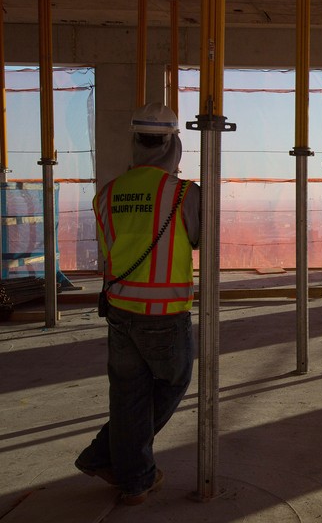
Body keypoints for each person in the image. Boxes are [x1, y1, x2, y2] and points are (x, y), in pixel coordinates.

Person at [75, 103, 201, 506]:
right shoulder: (183, 193)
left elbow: (112, 246)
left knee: (128, 394)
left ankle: (118, 467)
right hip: (165, 315)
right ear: (172, 144)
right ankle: (126, 470)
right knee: (171, 384)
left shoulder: (107, 193)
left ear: (135, 141)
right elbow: (198, 240)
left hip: (120, 311)